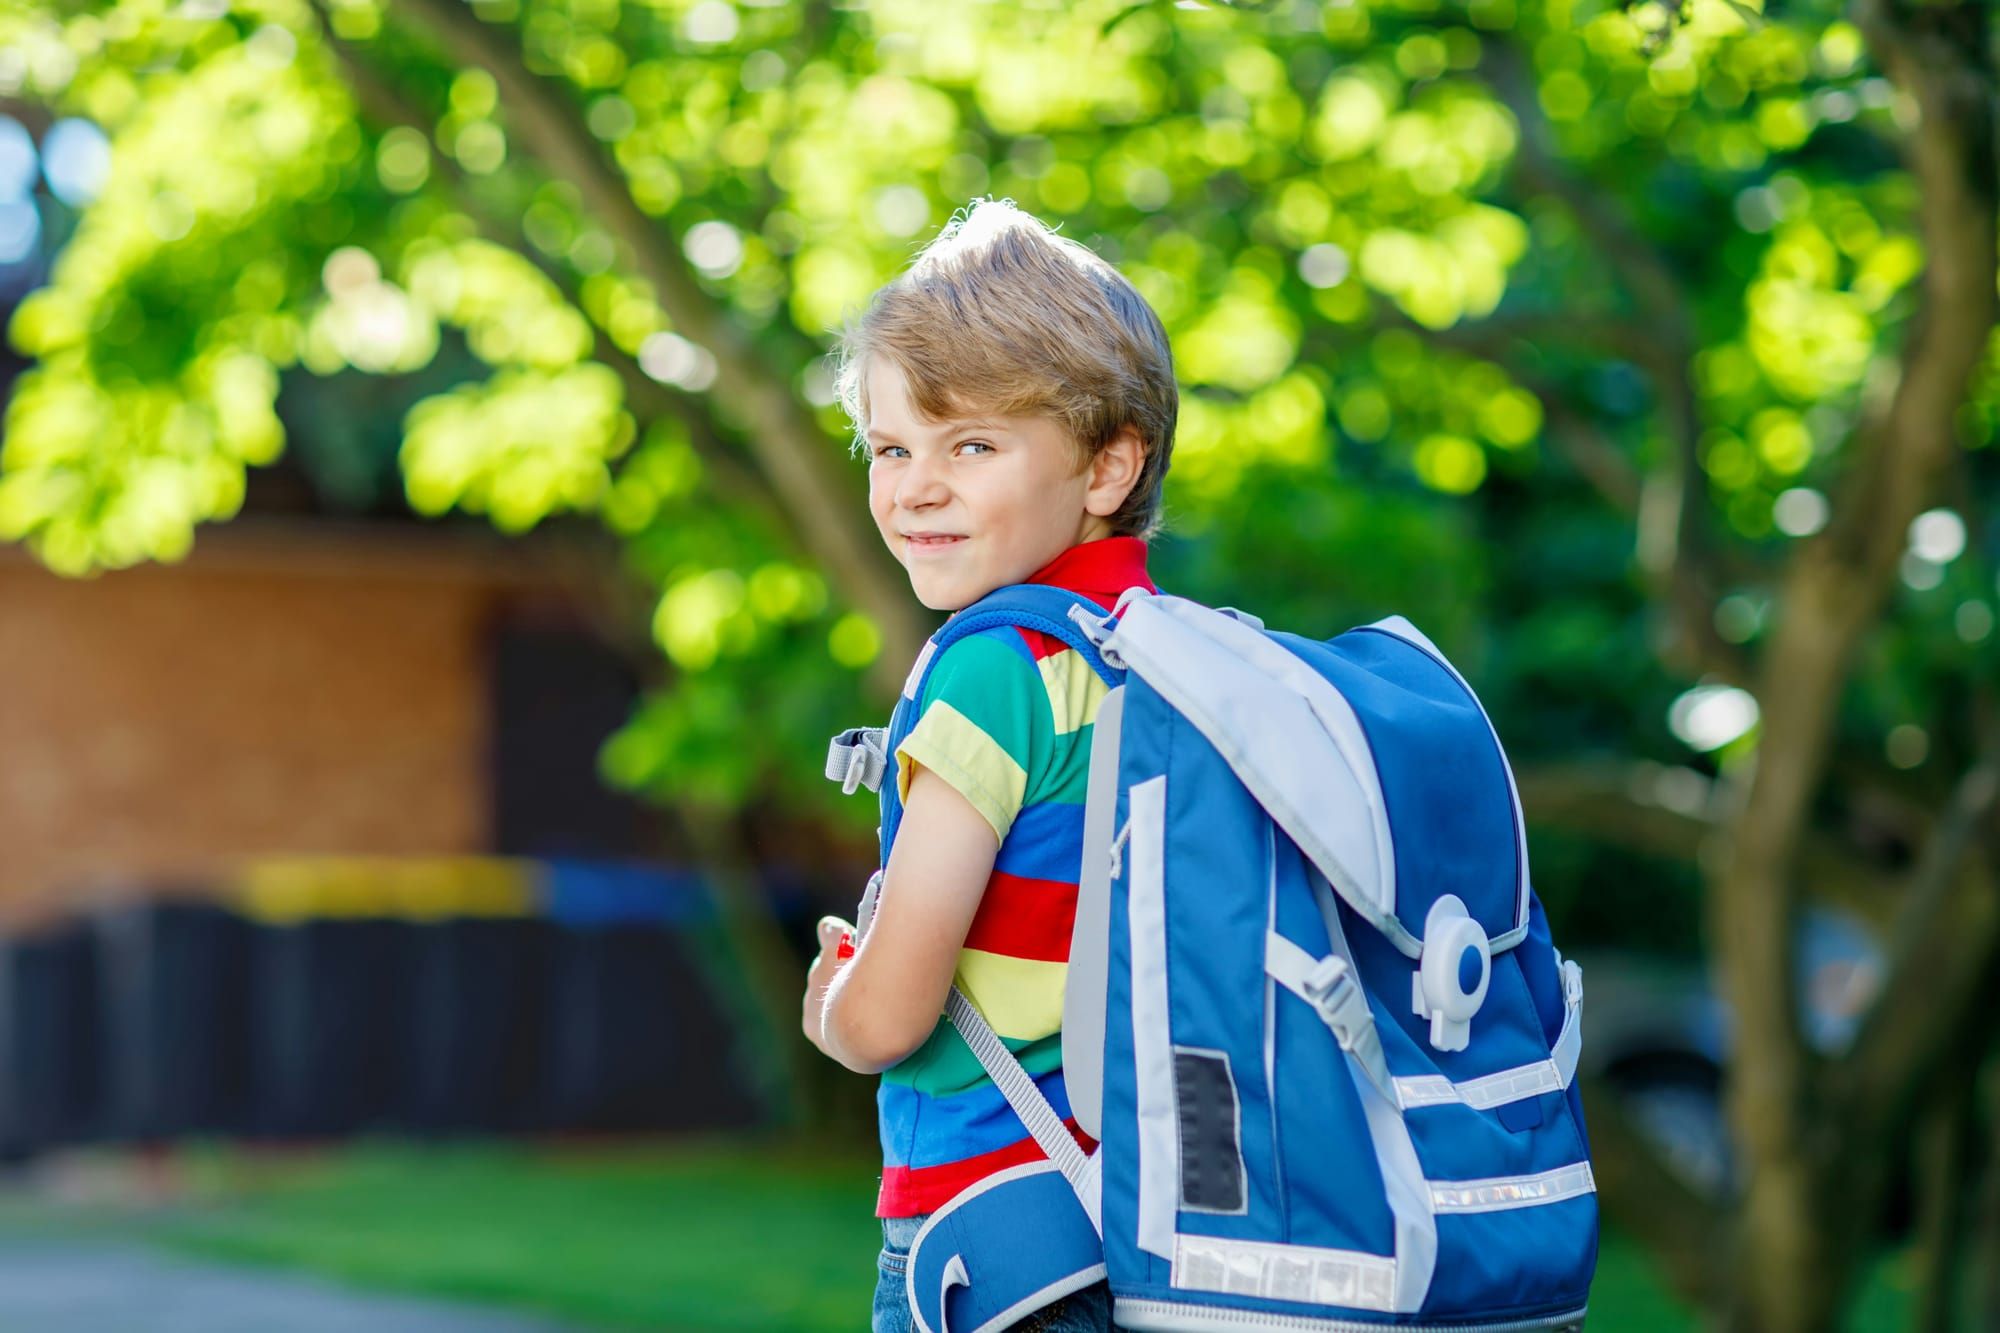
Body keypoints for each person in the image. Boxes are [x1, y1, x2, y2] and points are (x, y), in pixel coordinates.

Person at [800, 197, 1177, 1333]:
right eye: (890, 448)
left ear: (1108, 465)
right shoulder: (1162, 654)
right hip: (1143, 1215)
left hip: (990, 1237)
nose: (915, 485)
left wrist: (833, 1003)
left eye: (970, 444)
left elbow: (889, 1018)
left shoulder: (994, 675)